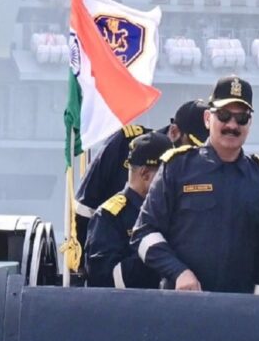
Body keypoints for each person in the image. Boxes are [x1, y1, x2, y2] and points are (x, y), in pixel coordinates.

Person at [131, 75, 259, 294]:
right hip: (184, 308)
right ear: (208, 118)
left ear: (250, 123)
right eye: (224, 115)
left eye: (241, 119)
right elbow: (143, 233)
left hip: (239, 312)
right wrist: (178, 272)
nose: (232, 125)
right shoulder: (178, 167)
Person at [73, 99, 209, 248]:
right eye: (193, 146)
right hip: (111, 245)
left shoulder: (204, 167)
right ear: (174, 132)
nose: (196, 155)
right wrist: (82, 263)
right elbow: (85, 207)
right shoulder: (125, 144)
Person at [84, 131, 173, 288]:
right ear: (145, 174)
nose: (173, 180)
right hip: (132, 308)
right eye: (167, 174)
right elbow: (103, 279)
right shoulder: (109, 216)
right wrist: (155, 252)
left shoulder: (172, 210)